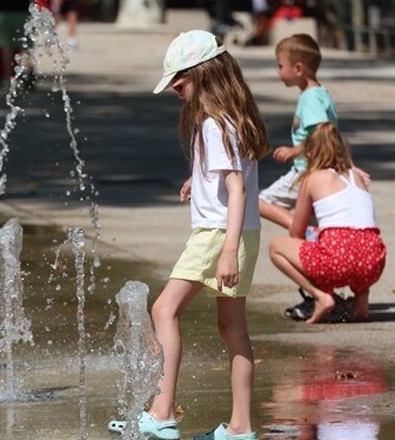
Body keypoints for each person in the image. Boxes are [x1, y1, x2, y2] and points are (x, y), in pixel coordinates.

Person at [108, 30, 269, 440]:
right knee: (233, 329)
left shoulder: (215, 124)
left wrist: (227, 250)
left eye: (179, 83)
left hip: (218, 235)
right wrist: (196, 180)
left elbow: (236, 188)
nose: (176, 92)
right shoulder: (233, 118)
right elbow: (231, 178)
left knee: (163, 311)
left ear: (203, 72)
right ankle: (241, 427)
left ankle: (162, 412)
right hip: (242, 232)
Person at [269, 123, 386, 324]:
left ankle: (321, 296)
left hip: (337, 260)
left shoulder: (312, 178)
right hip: (373, 261)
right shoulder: (357, 176)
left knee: (276, 246)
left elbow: (297, 232)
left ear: (311, 152)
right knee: (361, 241)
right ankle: (361, 299)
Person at [258, 33, 337, 231]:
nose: (278, 72)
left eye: (280, 66)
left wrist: (295, 151)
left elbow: (321, 134)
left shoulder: (310, 99)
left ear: (298, 69)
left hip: (307, 169)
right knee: (314, 216)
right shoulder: (319, 93)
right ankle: (313, 237)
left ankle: (300, 228)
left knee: (260, 202)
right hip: (321, 168)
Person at [0, 0, 31, 82]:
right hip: (22, 11)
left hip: (0, 12)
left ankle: (9, 79)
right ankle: (26, 77)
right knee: (24, 47)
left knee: (6, 48)